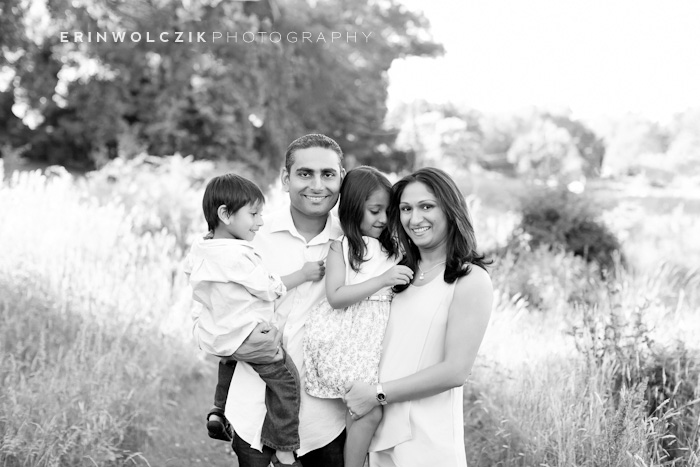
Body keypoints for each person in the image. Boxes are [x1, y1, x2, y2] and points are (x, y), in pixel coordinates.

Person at [343, 167, 494, 467]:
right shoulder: (396, 275)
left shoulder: (469, 280)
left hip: (426, 443)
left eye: (427, 206)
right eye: (406, 209)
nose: (415, 219)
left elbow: (455, 371)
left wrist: (378, 394)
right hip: (378, 434)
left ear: (451, 210)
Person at [224, 134, 347, 467]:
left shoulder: (354, 244)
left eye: (328, 174)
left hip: (326, 420)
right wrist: (234, 345)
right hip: (253, 407)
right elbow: (207, 311)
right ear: (286, 178)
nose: (317, 185)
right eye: (305, 174)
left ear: (341, 179)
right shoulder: (251, 236)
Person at [184, 173, 324, 466]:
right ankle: (284, 447)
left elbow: (193, 281)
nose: (260, 222)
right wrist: (305, 274)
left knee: (229, 362)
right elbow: (267, 286)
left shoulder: (202, 247)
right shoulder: (238, 254)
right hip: (250, 335)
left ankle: (218, 410)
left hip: (220, 332)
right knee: (286, 382)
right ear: (225, 214)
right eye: (253, 214)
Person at [303, 166, 413, 467]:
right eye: (375, 210)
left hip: (374, 344)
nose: (383, 219)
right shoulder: (343, 246)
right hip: (346, 340)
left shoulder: (393, 247)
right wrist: (383, 280)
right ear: (353, 209)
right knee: (369, 411)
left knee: (366, 411)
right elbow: (336, 297)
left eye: (388, 212)